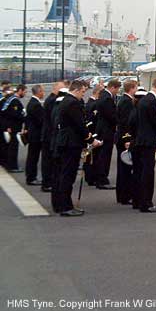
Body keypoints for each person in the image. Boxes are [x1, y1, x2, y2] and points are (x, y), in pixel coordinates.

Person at [52, 80, 101, 216]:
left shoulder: (66, 101)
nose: (83, 95)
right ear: (77, 90)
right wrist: (91, 140)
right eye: (83, 92)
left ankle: (65, 205)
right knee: (68, 175)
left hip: (66, 142)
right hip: (70, 143)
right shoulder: (72, 103)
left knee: (66, 174)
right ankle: (66, 206)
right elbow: (79, 125)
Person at [133, 78, 156, 213]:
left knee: (140, 171)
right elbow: (155, 122)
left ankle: (139, 200)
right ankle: (146, 202)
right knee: (148, 172)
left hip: (140, 139)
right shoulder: (152, 101)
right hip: (148, 141)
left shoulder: (143, 101)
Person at [92, 78, 120, 189]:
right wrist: (119, 121)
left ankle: (100, 177)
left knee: (101, 155)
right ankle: (102, 179)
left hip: (102, 129)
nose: (117, 92)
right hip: (106, 130)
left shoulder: (103, 95)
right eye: (117, 90)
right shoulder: (107, 98)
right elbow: (111, 115)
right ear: (112, 87)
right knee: (104, 155)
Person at [115, 79, 138, 205]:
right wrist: (127, 139)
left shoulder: (124, 100)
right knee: (125, 169)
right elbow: (125, 123)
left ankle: (123, 194)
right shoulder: (127, 102)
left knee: (124, 168)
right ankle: (124, 195)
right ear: (132, 88)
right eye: (136, 87)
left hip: (123, 137)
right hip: (124, 139)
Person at [40, 81, 66, 192]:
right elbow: (53, 119)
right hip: (49, 135)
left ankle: (48, 182)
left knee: (49, 160)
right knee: (48, 161)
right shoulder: (52, 101)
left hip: (49, 134)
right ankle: (46, 183)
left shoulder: (51, 99)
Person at [2, 84, 26, 172]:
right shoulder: (14, 101)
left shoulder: (10, 100)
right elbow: (14, 114)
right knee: (13, 147)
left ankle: (10, 165)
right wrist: (24, 117)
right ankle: (12, 166)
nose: (25, 93)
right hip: (14, 127)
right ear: (20, 91)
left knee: (11, 147)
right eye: (24, 91)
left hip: (11, 126)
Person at [24, 85, 45, 186]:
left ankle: (31, 176)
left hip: (32, 134)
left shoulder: (32, 103)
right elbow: (41, 120)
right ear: (39, 92)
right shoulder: (36, 104)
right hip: (36, 135)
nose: (43, 93)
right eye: (42, 91)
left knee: (32, 157)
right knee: (33, 158)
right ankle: (31, 177)